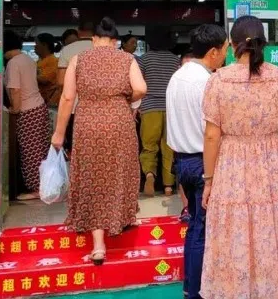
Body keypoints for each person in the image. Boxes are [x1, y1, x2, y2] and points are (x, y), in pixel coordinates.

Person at [200, 16, 278, 299]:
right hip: (271, 164)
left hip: (231, 166)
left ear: (232, 46)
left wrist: (208, 179)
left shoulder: (219, 80)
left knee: (234, 233)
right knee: (271, 235)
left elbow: (211, 136)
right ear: (263, 45)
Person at [50, 17, 146, 265]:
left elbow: (68, 98)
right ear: (115, 41)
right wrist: (127, 100)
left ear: (93, 40)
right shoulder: (127, 58)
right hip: (119, 122)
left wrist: (59, 133)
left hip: (88, 124)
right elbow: (141, 88)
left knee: (93, 176)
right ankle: (123, 218)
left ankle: (98, 245)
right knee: (119, 172)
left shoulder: (78, 59)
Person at [164, 24, 228, 299]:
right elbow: (212, 133)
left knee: (195, 227)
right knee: (203, 230)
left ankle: (191, 286)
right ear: (213, 52)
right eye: (225, 50)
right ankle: (198, 292)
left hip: (182, 161)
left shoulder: (177, 77)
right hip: (203, 164)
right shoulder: (207, 82)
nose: (226, 56)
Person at [4, 30, 51, 201]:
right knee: (40, 149)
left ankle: (36, 188)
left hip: (27, 110)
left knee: (30, 151)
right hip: (38, 107)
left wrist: (15, 109)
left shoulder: (13, 63)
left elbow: (15, 89)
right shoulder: (28, 59)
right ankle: (45, 185)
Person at [137, 28, 180, 196]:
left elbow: (139, 85)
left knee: (149, 146)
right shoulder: (174, 60)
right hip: (170, 109)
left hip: (149, 108)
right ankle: (169, 186)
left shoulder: (143, 60)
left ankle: (149, 174)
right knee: (169, 148)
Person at [57, 21, 94, 152]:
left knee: (76, 149)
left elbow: (61, 81)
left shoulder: (68, 50)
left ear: (78, 32)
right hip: (101, 111)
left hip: (74, 108)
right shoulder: (106, 50)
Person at [35, 33, 62, 107]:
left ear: (44, 45)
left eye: (37, 43)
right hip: (40, 102)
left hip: (49, 103)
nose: (34, 46)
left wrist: (28, 74)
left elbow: (44, 80)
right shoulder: (40, 61)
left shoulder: (53, 61)